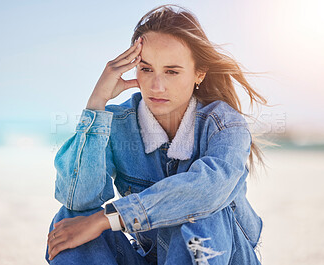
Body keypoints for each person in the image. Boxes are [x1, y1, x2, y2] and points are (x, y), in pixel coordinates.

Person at [45, 4, 268, 265]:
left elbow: (205, 192)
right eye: (146, 69)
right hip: (154, 258)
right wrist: (97, 104)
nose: (156, 86)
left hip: (216, 255)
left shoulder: (225, 125)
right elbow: (79, 199)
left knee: (197, 211)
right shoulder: (120, 122)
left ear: (200, 73)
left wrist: (109, 218)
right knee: (71, 217)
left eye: (172, 71)